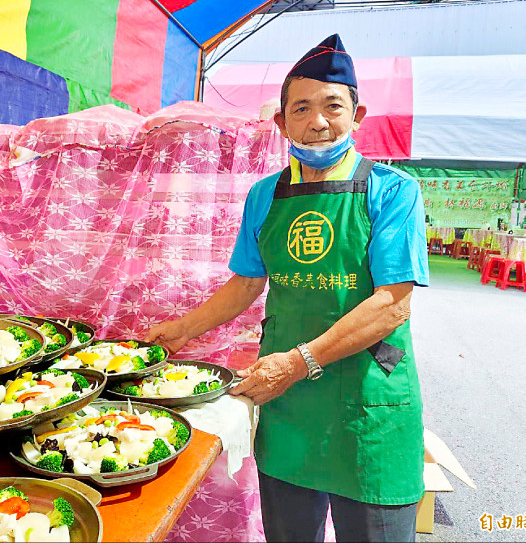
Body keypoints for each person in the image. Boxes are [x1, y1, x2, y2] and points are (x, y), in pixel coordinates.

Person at [145, 34, 429, 543]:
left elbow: (391, 306)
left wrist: (297, 364)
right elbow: (247, 283)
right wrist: (178, 331)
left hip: (367, 405)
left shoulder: (394, 191)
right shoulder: (264, 196)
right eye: (301, 108)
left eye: (332, 106)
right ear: (282, 122)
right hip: (288, 407)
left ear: (357, 115)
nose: (317, 121)